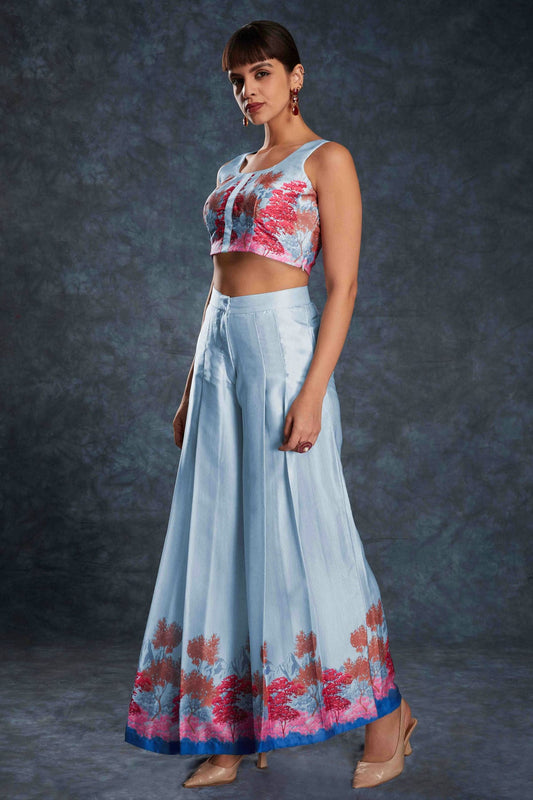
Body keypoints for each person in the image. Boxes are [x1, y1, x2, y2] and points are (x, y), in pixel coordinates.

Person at [124, 19, 417, 790]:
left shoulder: (327, 160)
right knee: (220, 534)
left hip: (283, 355)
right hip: (218, 356)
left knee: (311, 535)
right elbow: (216, 281)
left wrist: (312, 393)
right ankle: (231, 729)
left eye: (260, 73)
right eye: (236, 79)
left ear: (295, 76)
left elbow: (342, 286)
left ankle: (387, 718)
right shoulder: (233, 167)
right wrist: (189, 386)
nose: (247, 90)